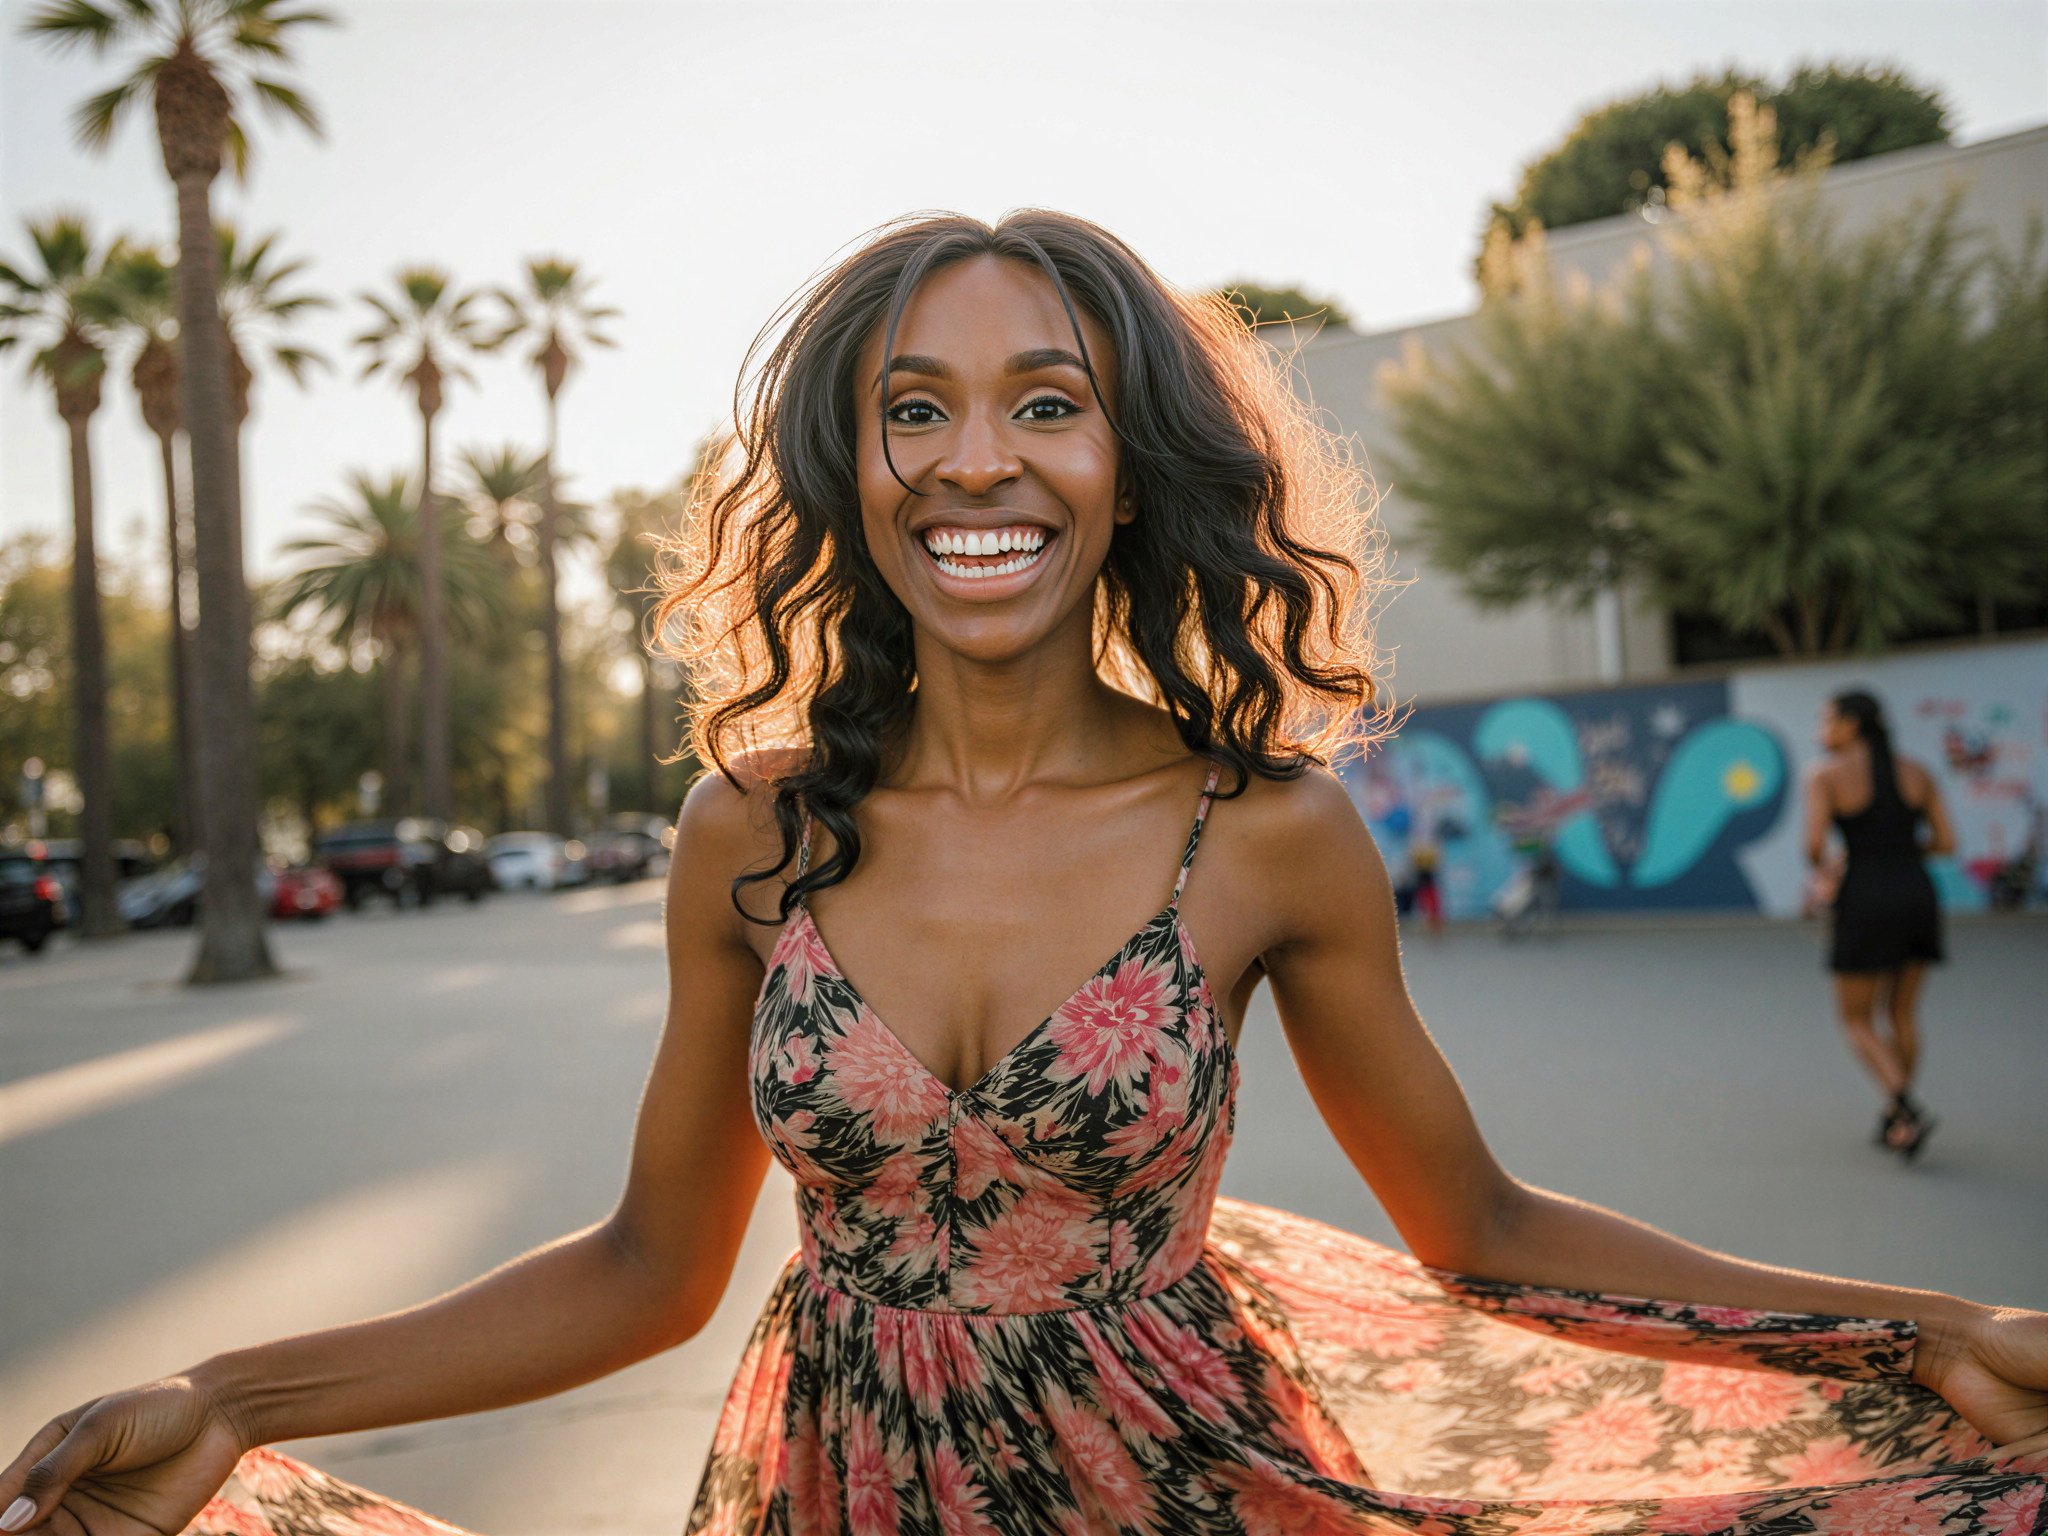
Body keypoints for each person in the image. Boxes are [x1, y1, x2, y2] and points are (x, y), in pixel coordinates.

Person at [4, 212, 2043, 1536]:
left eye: (1044, 404)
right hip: (836, 1491)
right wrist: (227, 1398)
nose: (975, 459)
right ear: (851, 467)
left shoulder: (1264, 831)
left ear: (1127, 464)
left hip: (1199, 1489)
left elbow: (1485, 1228)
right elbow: (646, 1269)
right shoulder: (748, 834)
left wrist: (1911, 1325)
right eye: (915, 409)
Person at [1803, 690, 1957, 1160]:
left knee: (1855, 1018)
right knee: (1902, 1015)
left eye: (1826, 719)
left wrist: (1835, 869)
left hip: (1864, 900)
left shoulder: (1824, 775)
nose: (1819, 729)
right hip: (1917, 895)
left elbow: (1813, 848)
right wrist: (1903, 853)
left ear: (1851, 724)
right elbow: (1946, 842)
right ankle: (1897, 1116)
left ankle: (1905, 1107)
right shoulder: (1918, 772)